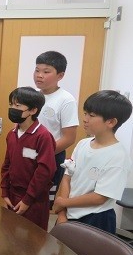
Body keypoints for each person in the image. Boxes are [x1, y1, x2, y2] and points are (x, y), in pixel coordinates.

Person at [54, 90, 133, 234]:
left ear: (111, 122)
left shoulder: (118, 156)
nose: (85, 119)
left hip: (95, 219)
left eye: (91, 115)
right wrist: (62, 212)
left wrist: (63, 202)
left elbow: (100, 197)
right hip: (67, 212)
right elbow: (67, 177)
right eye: (85, 113)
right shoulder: (82, 144)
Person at [0, 87, 56, 230]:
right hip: (12, 195)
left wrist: (27, 199)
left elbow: (45, 171)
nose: (12, 109)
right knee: (9, 233)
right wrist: (5, 192)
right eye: (11, 104)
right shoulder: (12, 134)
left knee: (31, 237)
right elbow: (7, 165)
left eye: (18, 105)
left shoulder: (43, 136)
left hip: (34, 199)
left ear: (33, 110)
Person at [34, 51, 79, 208]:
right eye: (37, 70)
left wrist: (43, 154)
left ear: (60, 75)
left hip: (51, 157)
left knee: (42, 203)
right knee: (24, 199)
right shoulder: (32, 97)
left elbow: (69, 138)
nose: (39, 75)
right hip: (29, 155)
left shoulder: (66, 100)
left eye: (46, 72)